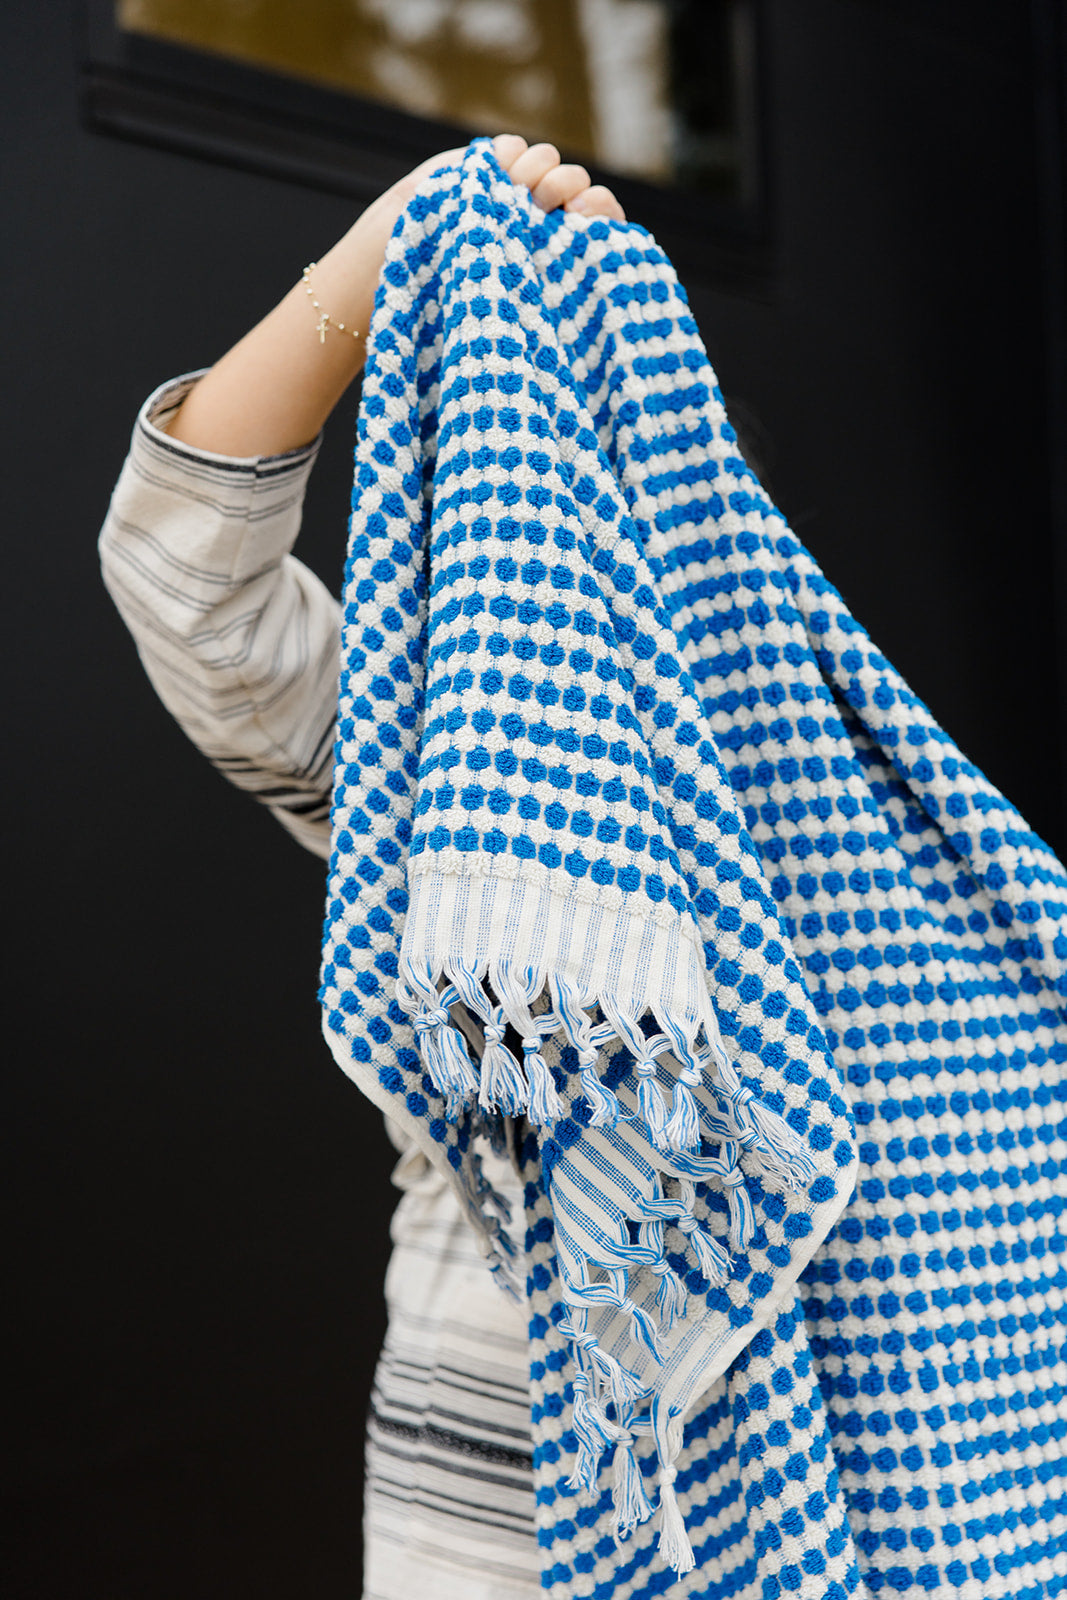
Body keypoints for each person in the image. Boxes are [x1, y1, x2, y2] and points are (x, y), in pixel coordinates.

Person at [99, 134, 627, 1600]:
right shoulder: (442, 782)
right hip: (483, 1536)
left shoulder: (824, 827)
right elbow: (189, 583)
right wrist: (388, 250)